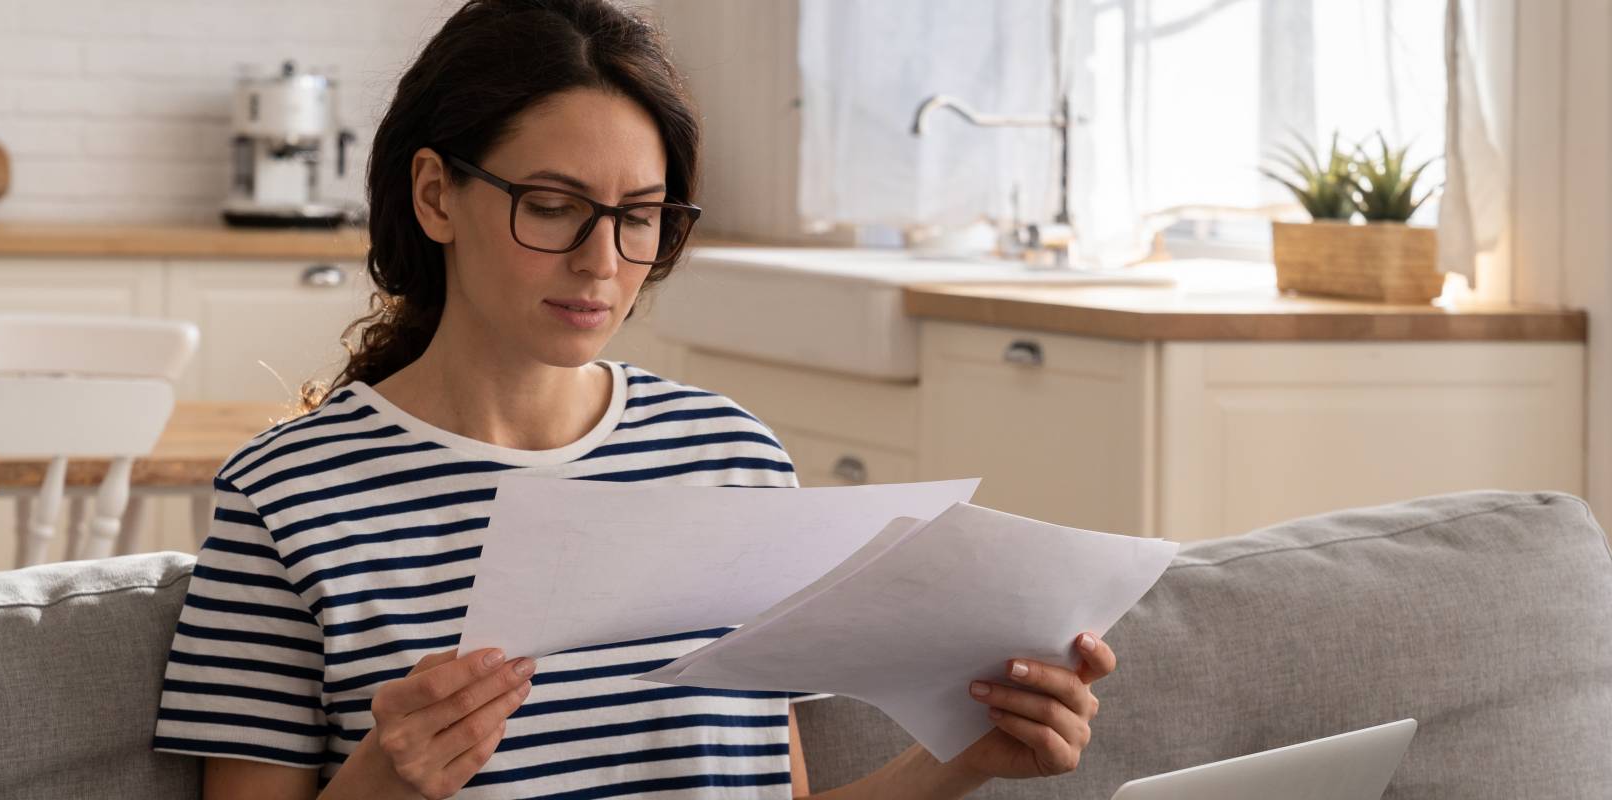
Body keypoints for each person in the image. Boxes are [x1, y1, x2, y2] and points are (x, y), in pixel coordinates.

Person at [152, 1, 1116, 797]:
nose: (602, 263)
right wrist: (382, 784)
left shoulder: (732, 457)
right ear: (437, 195)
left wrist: (968, 760)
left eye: (640, 217)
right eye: (555, 205)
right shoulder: (286, 497)